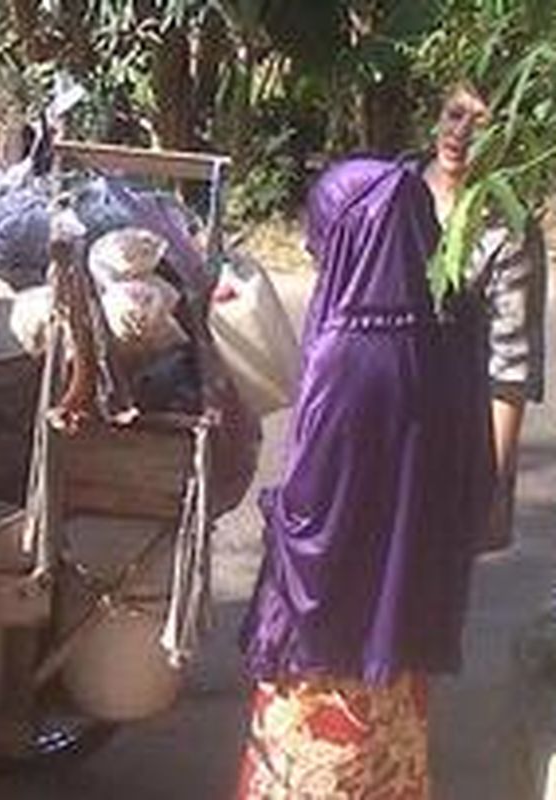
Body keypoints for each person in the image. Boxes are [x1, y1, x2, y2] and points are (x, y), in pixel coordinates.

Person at [235, 157, 494, 798]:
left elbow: (312, 512)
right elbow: (475, 474)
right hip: (405, 614)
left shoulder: (345, 351)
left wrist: (277, 514)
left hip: (328, 636)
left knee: (316, 766)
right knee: (388, 759)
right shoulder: (455, 326)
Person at [421, 81, 548, 553]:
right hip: (380, 432)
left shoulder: (509, 231)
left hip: (455, 437)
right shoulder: (396, 192)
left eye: (481, 124)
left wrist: (490, 485)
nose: (460, 133)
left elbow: (510, 368)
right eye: (454, 114)